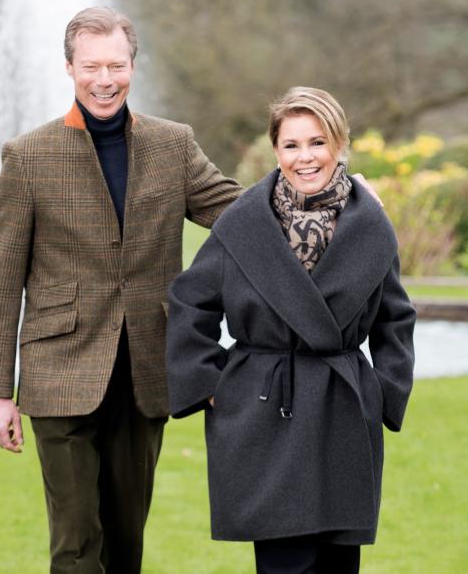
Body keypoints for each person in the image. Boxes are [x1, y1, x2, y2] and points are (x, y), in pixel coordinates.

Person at [0, 6, 243, 574]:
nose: (105, 80)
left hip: (146, 367)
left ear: (132, 67)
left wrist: (327, 197)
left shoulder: (173, 145)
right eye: (92, 66)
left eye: (116, 66)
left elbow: (234, 212)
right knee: (76, 545)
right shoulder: (28, 157)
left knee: (126, 543)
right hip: (58, 370)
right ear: (70, 68)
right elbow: (1, 280)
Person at [166, 86, 416, 574]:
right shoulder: (243, 224)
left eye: (318, 142)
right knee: (285, 563)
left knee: (338, 564)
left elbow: (395, 317)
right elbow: (189, 303)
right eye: (292, 145)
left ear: (339, 144)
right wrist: (214, 386)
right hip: (266, 413)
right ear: (276, 151)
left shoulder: (370, 225)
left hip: (344, 407)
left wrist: (381, 392)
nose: (306, 157)